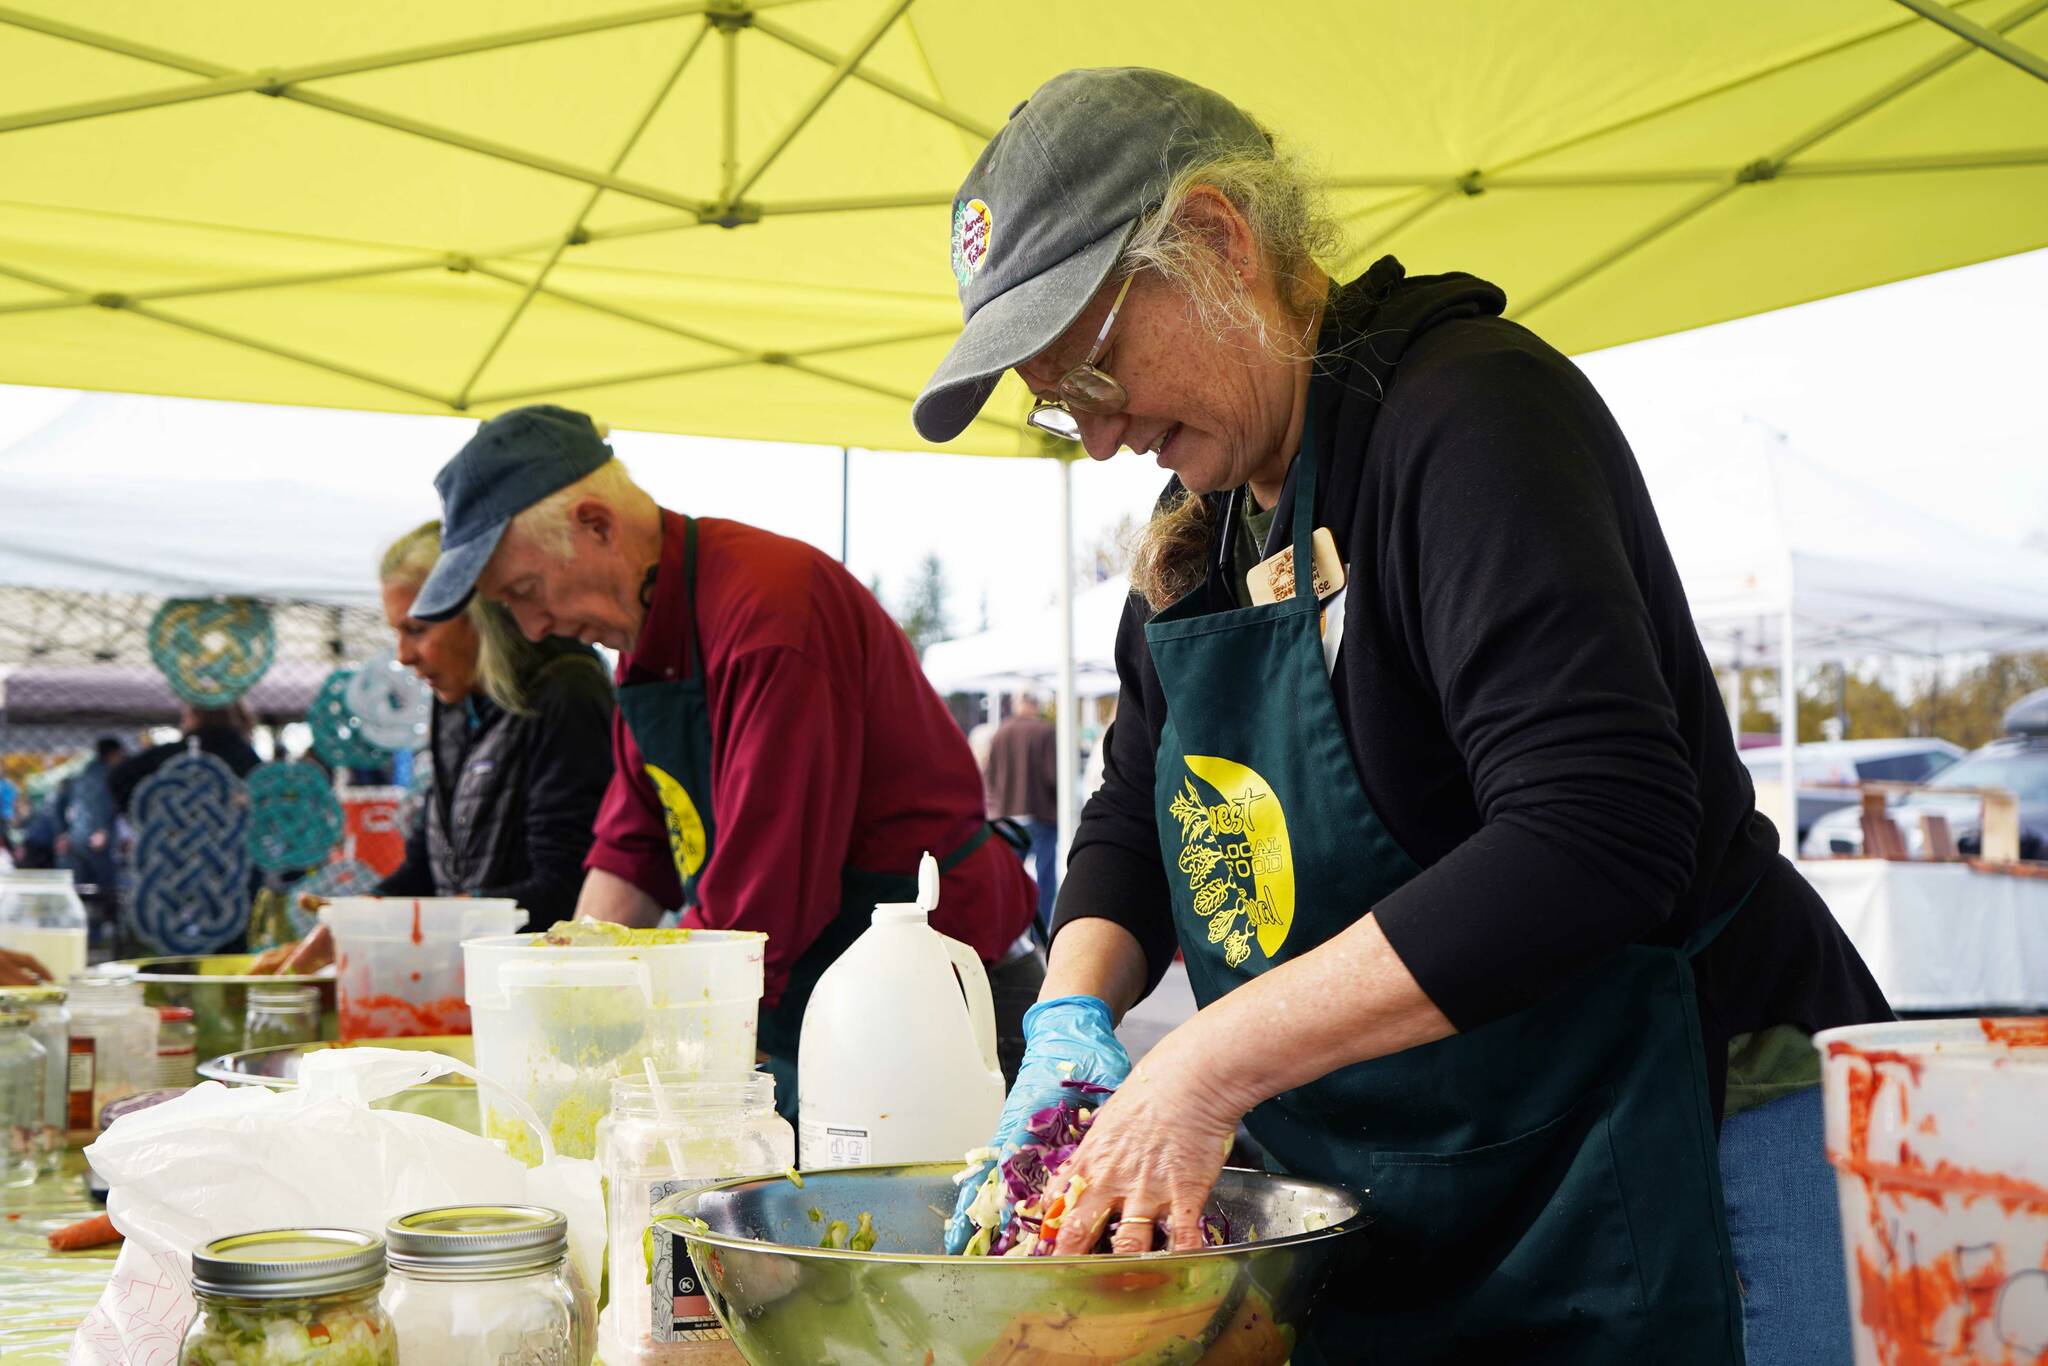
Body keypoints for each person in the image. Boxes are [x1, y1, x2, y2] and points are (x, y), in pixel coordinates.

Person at [914, 69, 1891, 1365]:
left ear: (1218, 240)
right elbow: (1137, 825)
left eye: (1093, 367)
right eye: (1059, 400)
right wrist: (1072, 1019)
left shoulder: (1468, 417)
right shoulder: (1197, 537)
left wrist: (1207, 1060)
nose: (1094, 437)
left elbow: (1596, 829)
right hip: (1415, 1184)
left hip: (1679, 1124)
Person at [405, 405, 1042, 1101]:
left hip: (941, 1003)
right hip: (816, 995)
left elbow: (766, 893)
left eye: (525, 592)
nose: (532, 627)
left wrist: (658, 1069)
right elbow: (635, 845)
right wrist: (564, 999)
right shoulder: (644, 645)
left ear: (597, 524)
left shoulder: (769, 613)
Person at [251, 521, 617, 972]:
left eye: (418, 629)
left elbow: (565, 887)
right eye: (398, 633)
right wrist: (356, 918)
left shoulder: (566, 694)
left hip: (544, 984)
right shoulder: (455, 704)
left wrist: (406, 924)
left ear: (481, 618)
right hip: (465, 979)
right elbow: (426, 868)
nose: (403, 655)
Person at [984, 695, 1059, 932]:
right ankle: (1041, 932)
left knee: (1010, 881)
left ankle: (1010, 932)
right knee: (1044, 877)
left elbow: (989, 776)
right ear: (1034, 704)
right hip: (1042, 815)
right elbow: (1053, 776)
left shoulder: (1000, 733)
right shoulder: (1046, 732)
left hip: (1007, 815)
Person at [109, 704, 260, 813]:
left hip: (176, 839)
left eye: (185, 715)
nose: (182, 722)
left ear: (196, 716)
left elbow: (119, 778)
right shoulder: (246, 757)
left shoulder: (170, 755)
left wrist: (150, 813)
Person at [56, 737, 125, 932]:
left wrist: (63, 831)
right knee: (106, 891)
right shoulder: (110, 776)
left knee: (77, 891)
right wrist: (101, 829)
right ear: (112, 754)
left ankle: (79, 932)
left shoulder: (80, 775)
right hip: (96, 840)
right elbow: (103, 805)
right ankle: (103, 934)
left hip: (74, 838)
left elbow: (58, 804)